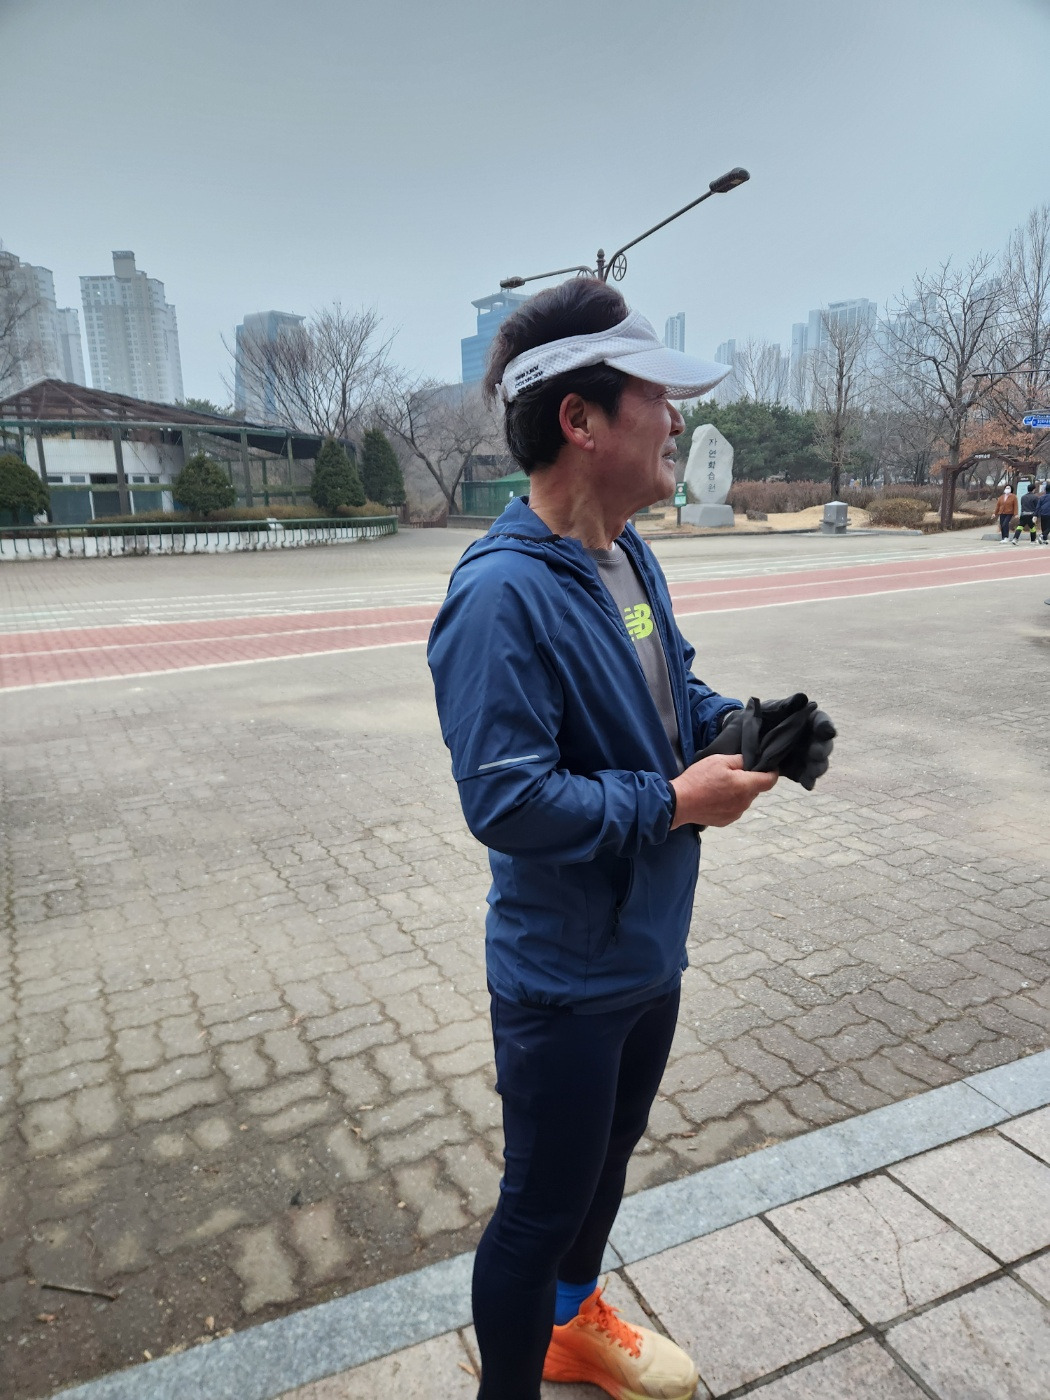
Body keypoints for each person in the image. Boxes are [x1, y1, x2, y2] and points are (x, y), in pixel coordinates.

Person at [427, 279, 834, 1400]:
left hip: (649, 949)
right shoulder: (499, 596)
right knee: (538, 1207)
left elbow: (670, 694)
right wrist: (671, 802)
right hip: (563, 979)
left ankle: (572, 1326)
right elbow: (507, 802)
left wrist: (747, 728)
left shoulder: (629, 557)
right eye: (656, 395)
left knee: (604, 1167)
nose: (677, 419)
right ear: (581, 420)